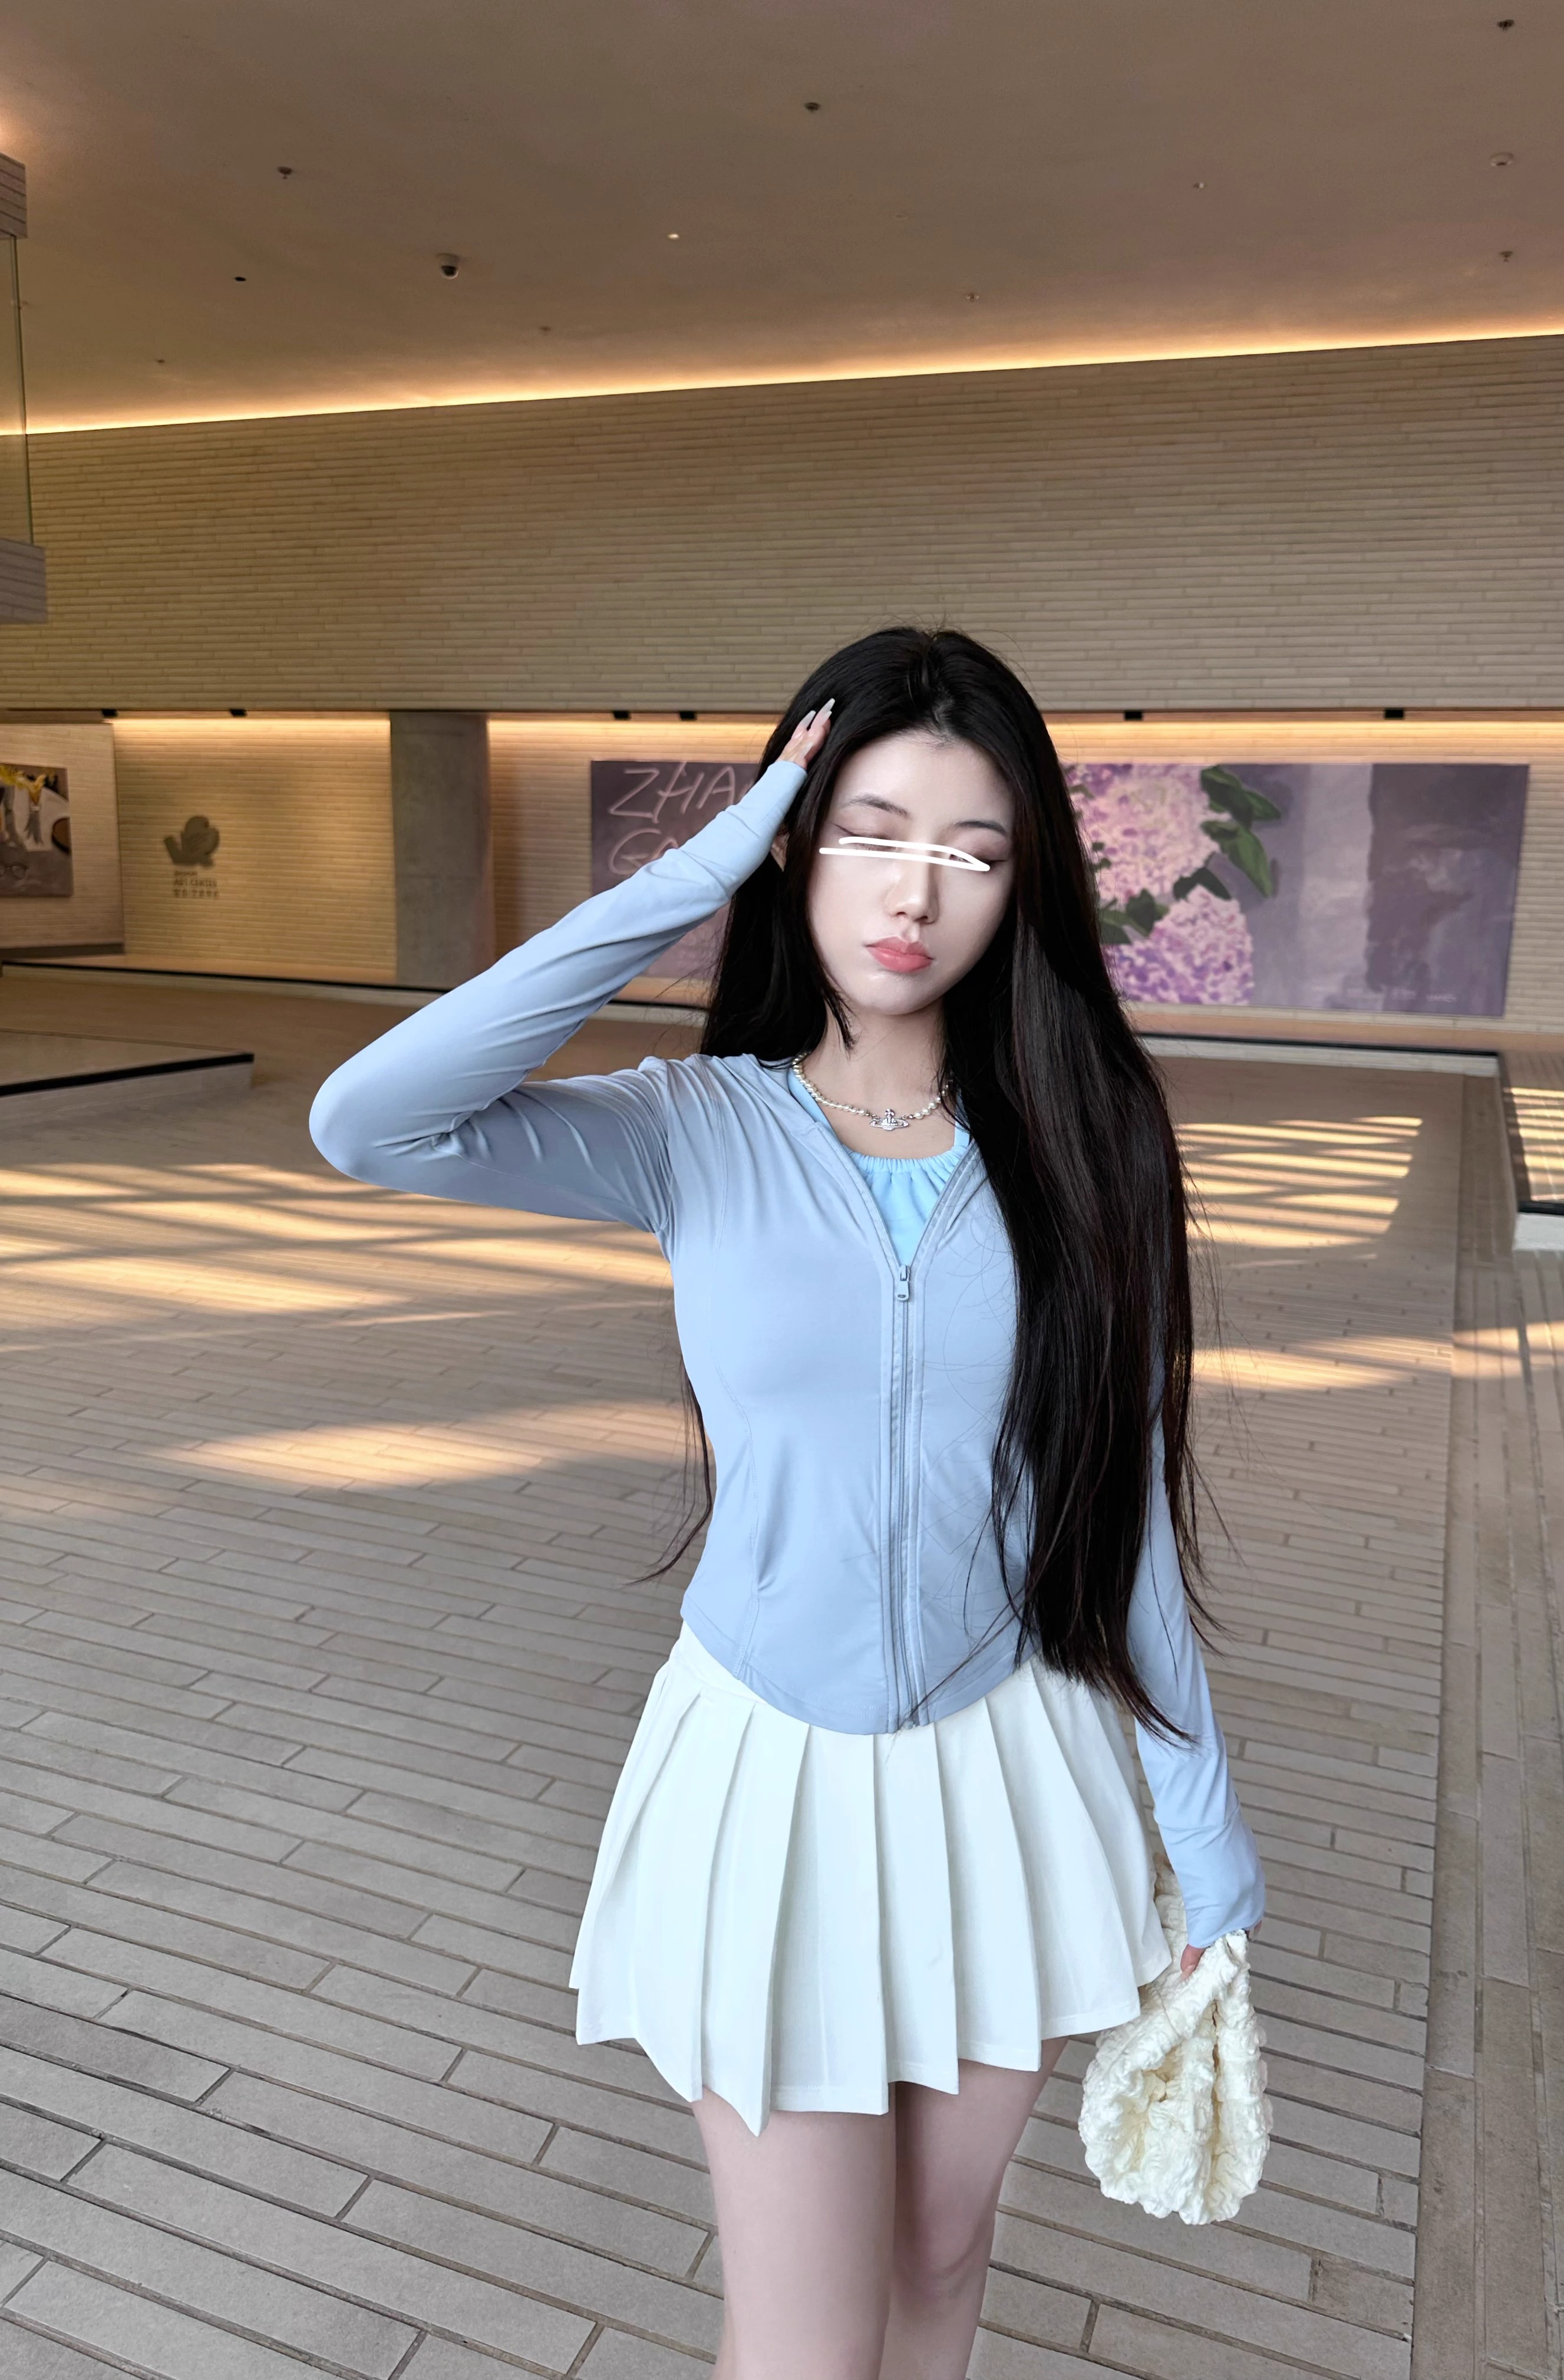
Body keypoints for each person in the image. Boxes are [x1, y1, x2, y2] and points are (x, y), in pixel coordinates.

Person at [309, 626, 1265, 2380]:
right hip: (773, 1773)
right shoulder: (693, 1127)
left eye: (973, 852)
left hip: (1008, 1762)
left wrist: (1208, 1845)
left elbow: (1121, 1511)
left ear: (1025, 888)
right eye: (867, 833)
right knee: (808, 2341)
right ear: (794, 845)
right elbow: (371, 1121)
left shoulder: (1087, 1136)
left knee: (943, 2258)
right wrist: (691, 874)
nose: (916, 893)